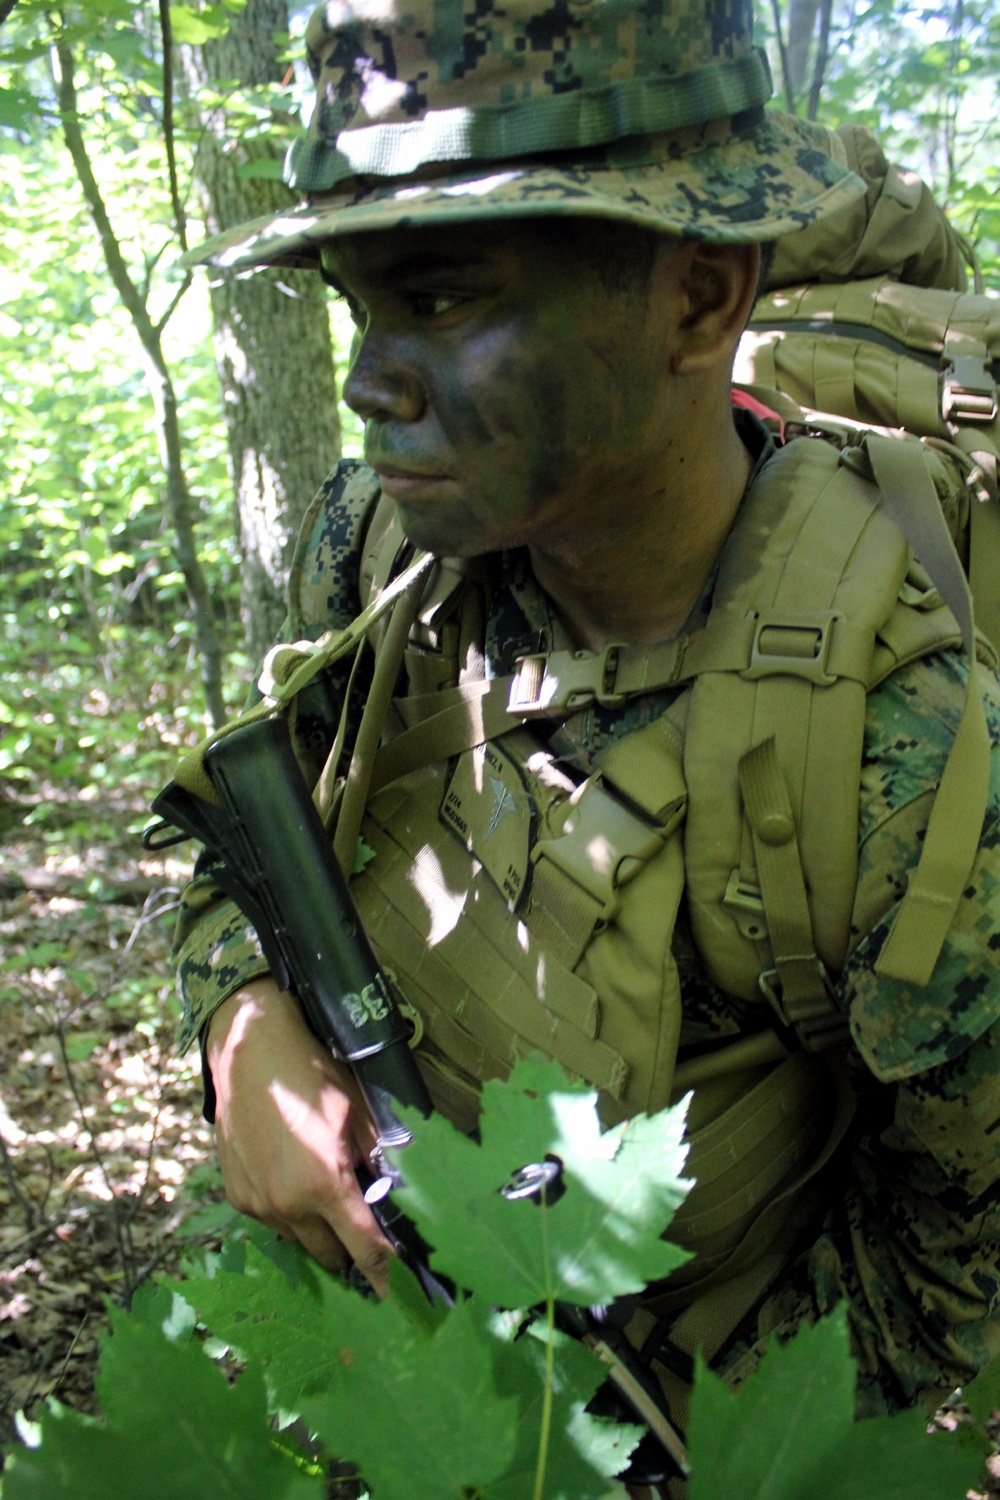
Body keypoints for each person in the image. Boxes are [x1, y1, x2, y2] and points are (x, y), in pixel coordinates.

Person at [168, 0, 1000, 1468]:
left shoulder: (903, 751)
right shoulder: (379, 551)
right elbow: (247, 842)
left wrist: (641, 1455)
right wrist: (242, 1025)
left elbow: (953, 1263)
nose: (367, 379)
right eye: (361, 306)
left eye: (443, 300)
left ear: (697, 301)